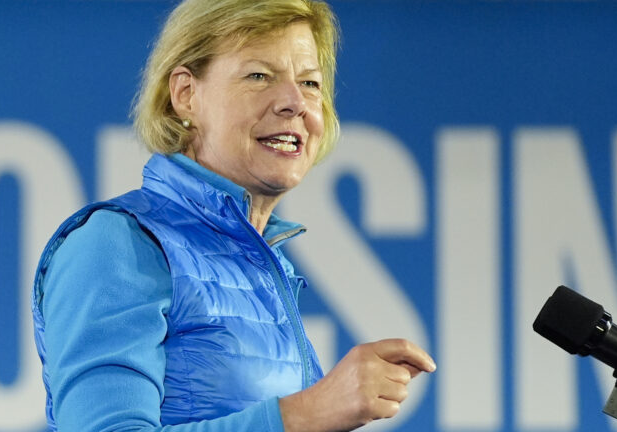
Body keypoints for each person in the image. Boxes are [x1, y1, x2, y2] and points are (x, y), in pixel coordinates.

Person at [31, 0, 436, 431]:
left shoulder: (261, 261)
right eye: (259, 76)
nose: (294, 102)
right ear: (186, 94)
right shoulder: (118, 243)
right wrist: (310, 412)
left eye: (311, 82)